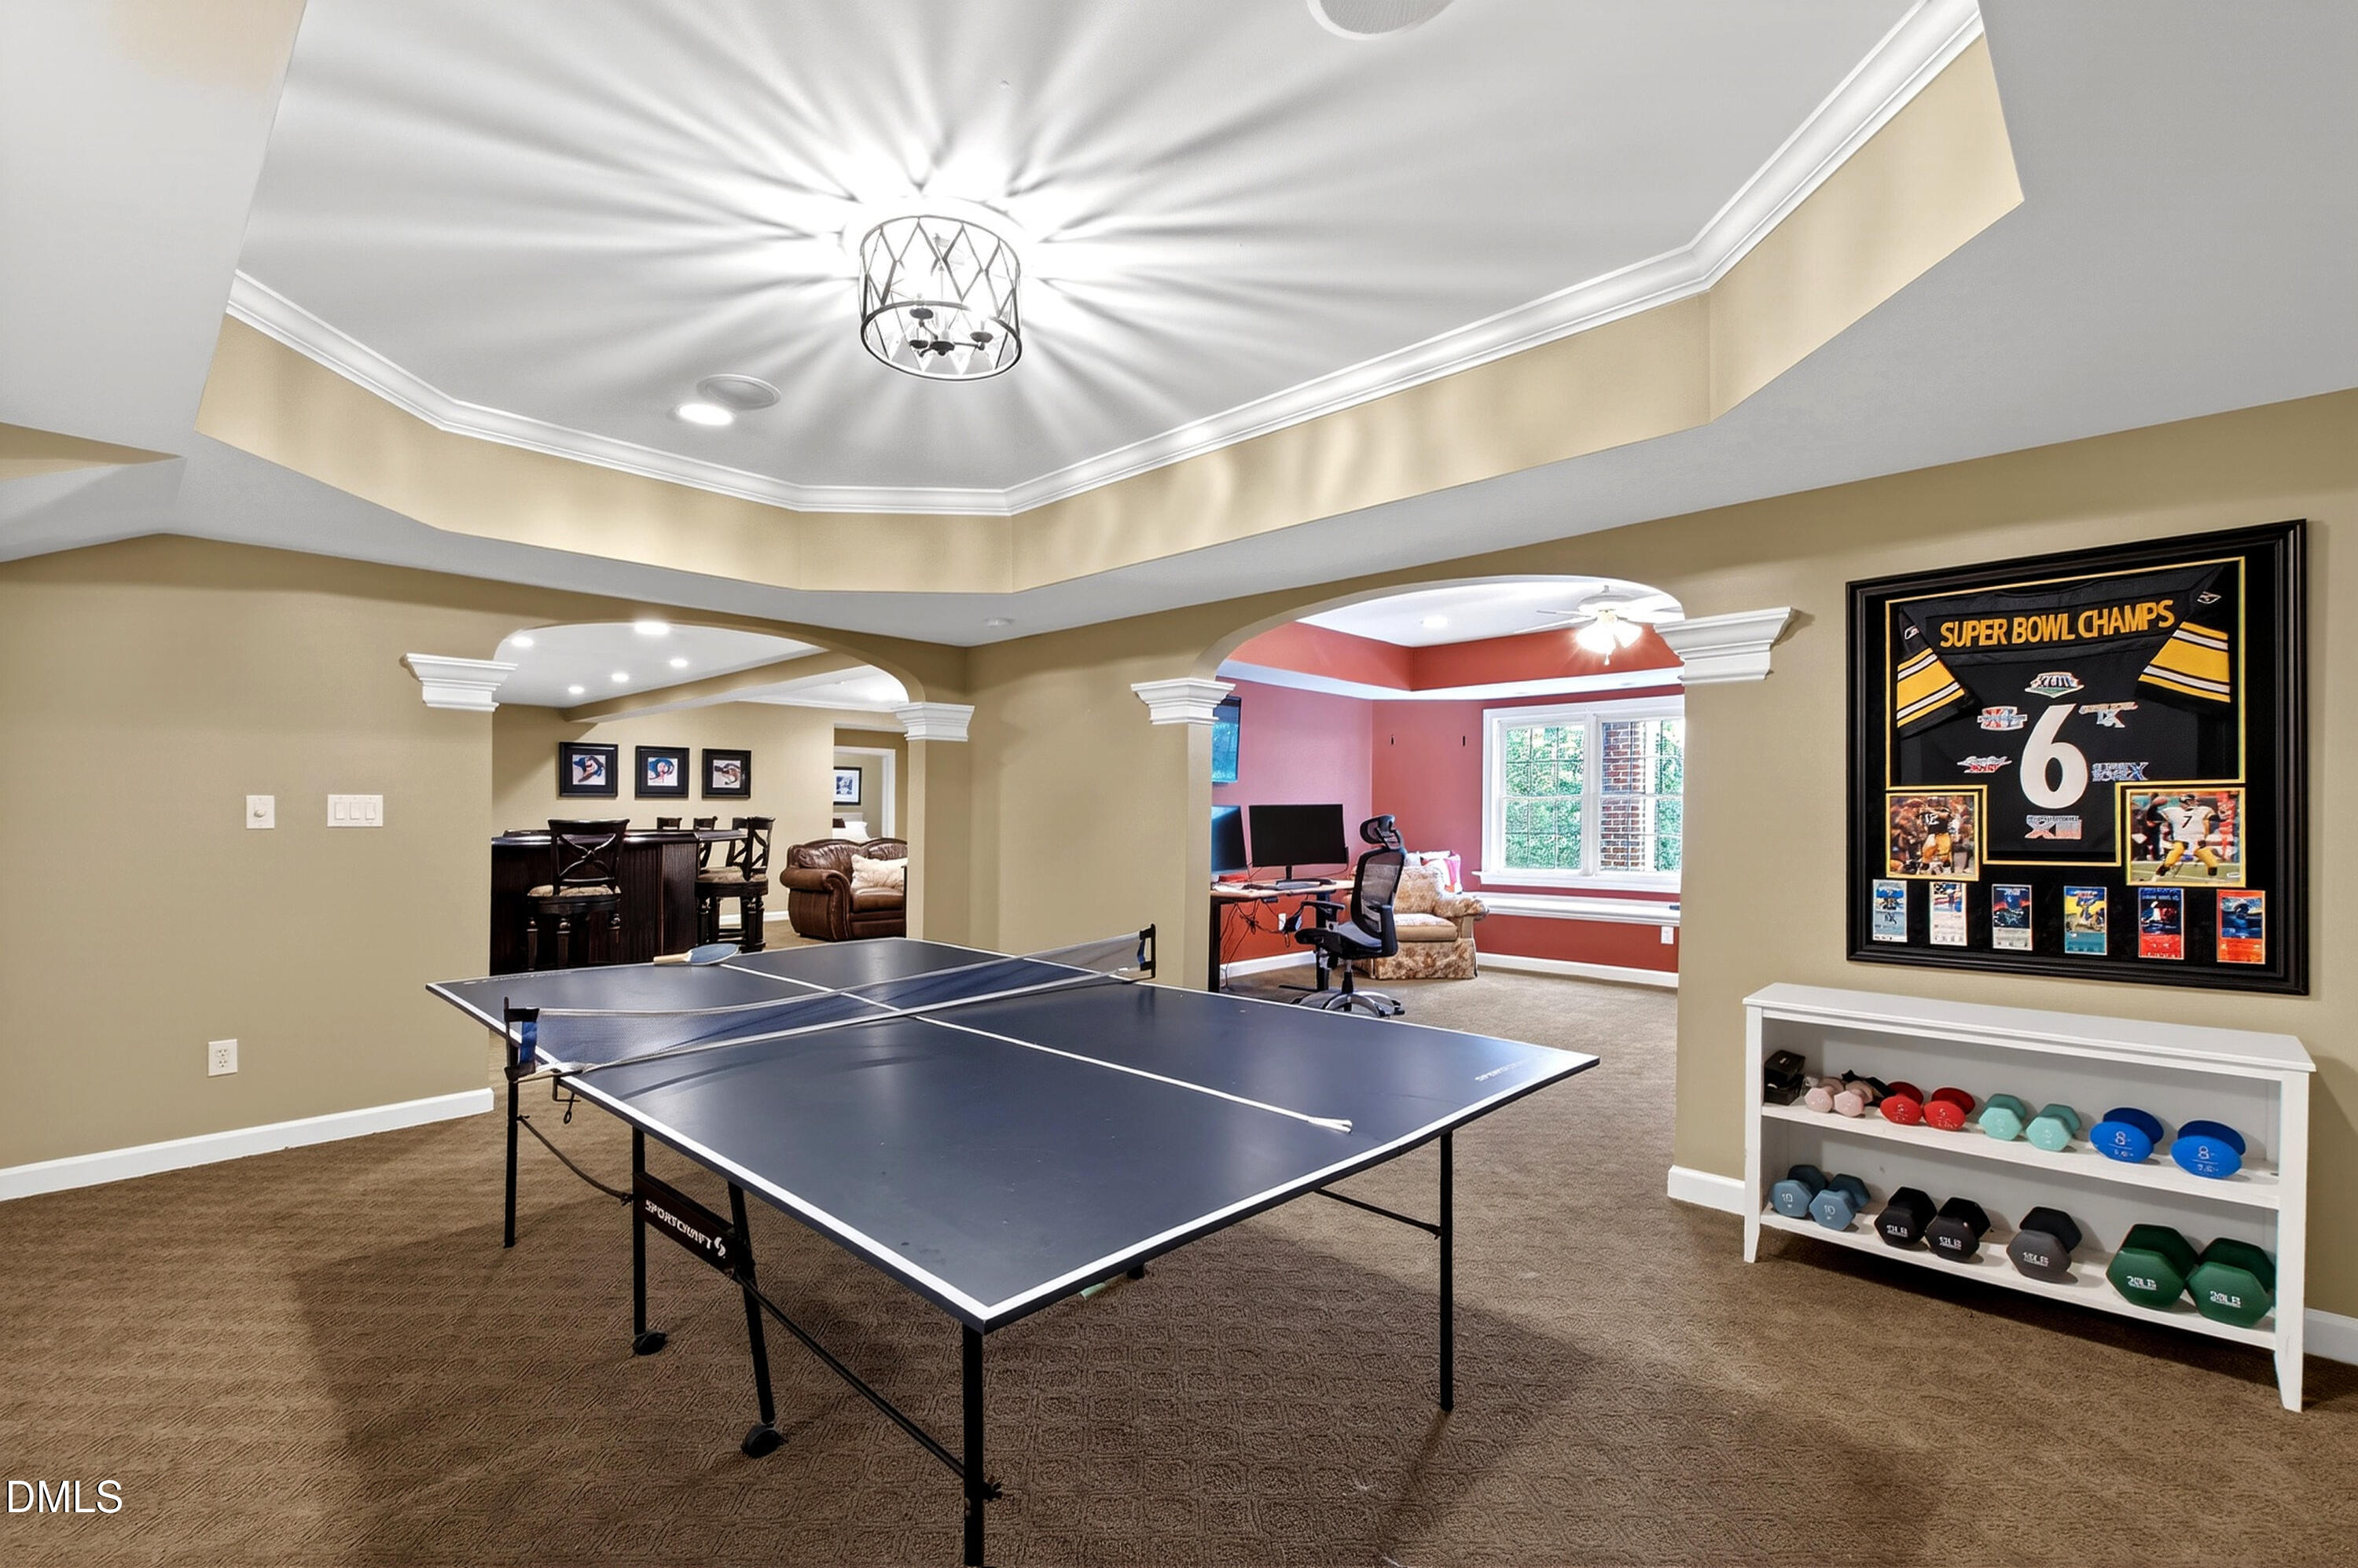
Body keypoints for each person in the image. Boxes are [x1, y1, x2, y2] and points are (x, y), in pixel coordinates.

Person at [2157, 792, 2223, 877]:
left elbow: (2213, 819)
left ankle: (2212, 878)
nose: (2194, 803)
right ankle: (2165, 867)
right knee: (2175, 853)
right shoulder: (2172, 811)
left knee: (2212, 864)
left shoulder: (2202, 811)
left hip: (2197, 841)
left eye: (2194, 801)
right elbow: (2157, 818)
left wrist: (2221, 817)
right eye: (2191, 801)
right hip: (2182, 840)